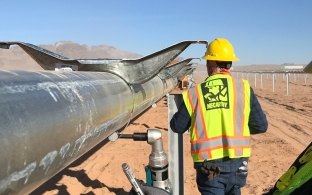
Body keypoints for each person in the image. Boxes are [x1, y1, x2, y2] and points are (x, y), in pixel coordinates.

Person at [170, 38, 268, 195]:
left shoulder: (195, 93)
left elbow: (177, 126)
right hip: (238, 165)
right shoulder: (243, 88)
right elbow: (261, 126)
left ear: (210, 63)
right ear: (229, 63)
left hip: (210, 169)